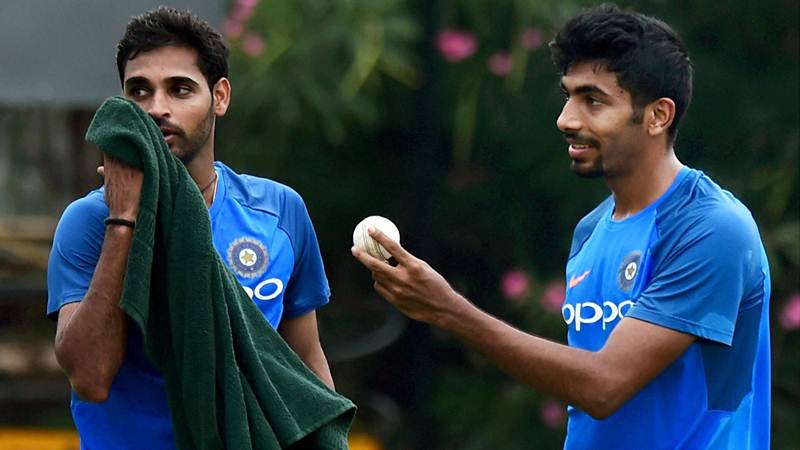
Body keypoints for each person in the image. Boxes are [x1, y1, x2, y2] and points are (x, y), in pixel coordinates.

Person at [352, 4, 770, 449]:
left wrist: (448, 310)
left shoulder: (711, 228)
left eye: (593, 100)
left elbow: (603, 386)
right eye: (568, 96)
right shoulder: (591, 231)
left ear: (658, 116)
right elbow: (586, 397)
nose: (566, 119)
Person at [47, 7, 336, 449]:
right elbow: (90, 378)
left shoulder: (280, 211)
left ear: (220, 97)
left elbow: (305, 363)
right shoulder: (89, 220)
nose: (156, 108)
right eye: (139, 91)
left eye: (180, 89)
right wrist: (124, 221)